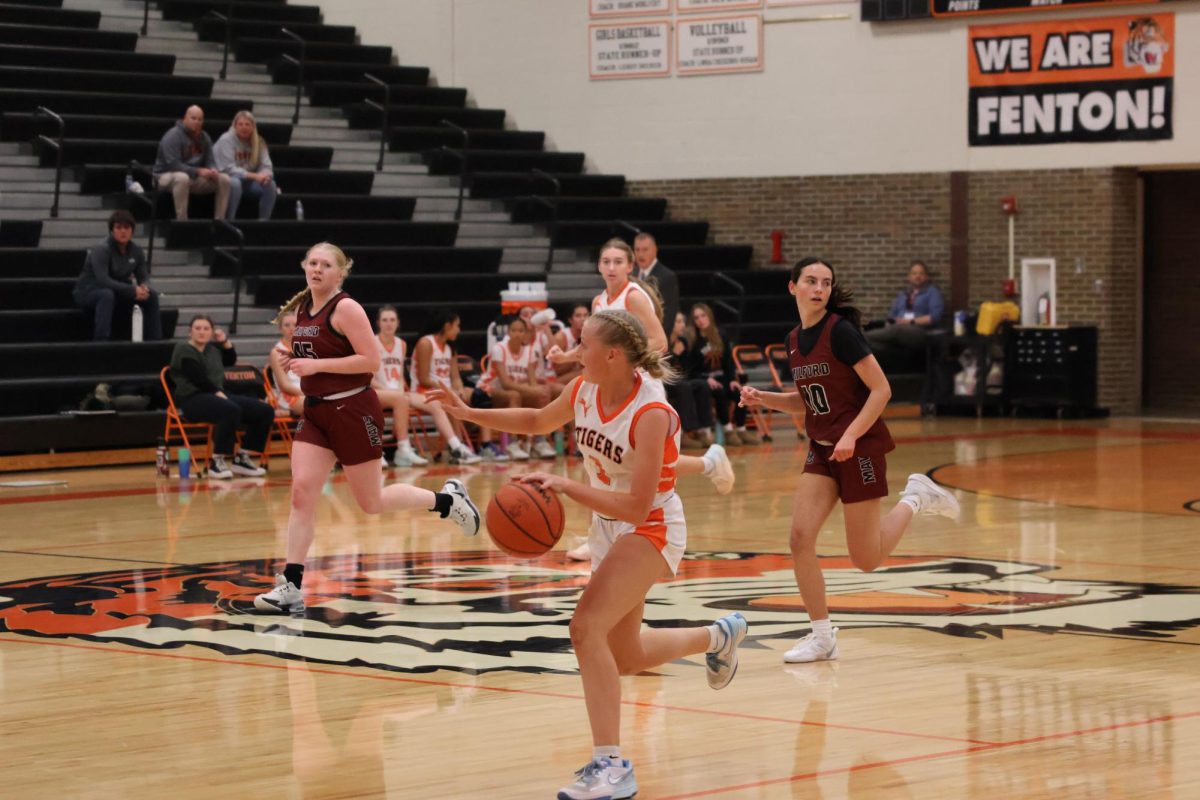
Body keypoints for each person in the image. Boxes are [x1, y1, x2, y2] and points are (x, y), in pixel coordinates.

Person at [430, 309, 748, 800]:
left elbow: (638, 505)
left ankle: (612, 765)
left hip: (652, 525)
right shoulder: (584, 389)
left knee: (584, 627)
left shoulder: (651, 413)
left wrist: (566, 487)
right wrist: (468, 414)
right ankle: (718, 636)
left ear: (613, 355)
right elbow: (537, 419)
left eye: (584, 345)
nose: (575, 353)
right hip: (609, 525)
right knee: (623, 654)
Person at [739, 257, 961, 663]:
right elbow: (807, 402)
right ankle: (822, 636)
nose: (819, 288)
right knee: (799, 538)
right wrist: (763, 399)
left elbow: (881, 390)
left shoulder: (840, 332)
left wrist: (851, 435)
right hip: (823, 449)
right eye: (810, 281)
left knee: (866, 559)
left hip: (859, 447)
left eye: (825, 282)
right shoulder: (792, 339)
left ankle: (915, 496)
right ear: (793, 287)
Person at [253, 243, 480, 614]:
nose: (317, 269)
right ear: (303, 267)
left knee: (371, 502)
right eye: (312, 262)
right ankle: (291, 585)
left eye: (326, 264)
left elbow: (370, 361)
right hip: (316, 414)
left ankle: (446, 500)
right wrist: (299, 363)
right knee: (301, 494)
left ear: (340, 273)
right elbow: (322, 356)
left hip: (353, 410)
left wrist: (316, 367)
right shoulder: (303, 309)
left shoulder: (346, 308)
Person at [373, 305, 480, 467]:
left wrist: (400, 390)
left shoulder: (401, 344)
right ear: (378, 323)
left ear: (398, 323)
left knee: (440, 404)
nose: (389, 324)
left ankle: (457, 448)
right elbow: (368, 377)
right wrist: (391, 392)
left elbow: (400, 375)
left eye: (392, 320)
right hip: (379, 390)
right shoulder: (371, 342)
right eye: (385, 320)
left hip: (401, 394)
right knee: (414, 399)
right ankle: (386, 450)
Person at [169, 314, 273, 479]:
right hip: (192, 399)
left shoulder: (212, 350)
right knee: (230, 409)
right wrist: (219, 394)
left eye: (206, 329)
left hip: (216, 395)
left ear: (211, 332)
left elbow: (230, 360)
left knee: (264, 410)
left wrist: (224, 342)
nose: (201, 332)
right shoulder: (183, 349)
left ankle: (242, 458)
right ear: (190, 332)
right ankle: (216, 462)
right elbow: (198, 378)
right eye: (197, 328)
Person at [411, 309, 507, 462]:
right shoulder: (426, 343)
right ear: (447, 326)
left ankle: (486, 445)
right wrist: (450, 391)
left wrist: (460, 389)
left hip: (445, 391)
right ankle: (459, 446)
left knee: (481, 395)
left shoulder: (450, 348)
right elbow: (424, 379)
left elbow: (455, 378)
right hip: (424, 391)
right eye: (457, 326)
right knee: (452, 400)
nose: (459, 330)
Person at [73, 210, 162, 341]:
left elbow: (144, 277)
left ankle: (156, 342)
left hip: (117, 291)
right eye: (118, 228)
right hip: (89, 290)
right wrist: (132, 290)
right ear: (111, 231)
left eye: (127, 228)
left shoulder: (136, 251)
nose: (123, 231)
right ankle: (101, 343)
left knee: (152, 295)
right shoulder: (101, 249)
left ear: (132, 230)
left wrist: (144, 288)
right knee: (106, 294)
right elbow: (103, 280)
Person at [479, 315, 555, 460]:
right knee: (514, 395)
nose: (517, 334)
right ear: (508, 332)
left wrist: (538, 391)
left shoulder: (529, 352)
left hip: (515, 391)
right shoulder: (499, 349)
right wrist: (533, 390)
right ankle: (512, 444)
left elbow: (532, 382)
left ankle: (540, 441)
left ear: (525, 334)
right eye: (514, 330)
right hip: (489, 389)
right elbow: (505, 383)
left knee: (541, 394)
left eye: (521, 331)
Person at [688, 303, 759, 446]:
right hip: (705, 381)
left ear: (709, 316)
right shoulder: (693, 340)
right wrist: (706, 378)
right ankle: (728, 431)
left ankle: (741, 429)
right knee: (719, 391)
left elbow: (728, 361)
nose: (700, 320)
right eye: (696, 318)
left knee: (741, 391)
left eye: (703, 316)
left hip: (723, 377)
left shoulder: (721, 335)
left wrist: (733, 379)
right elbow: (690, 369)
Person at [153, 105, 233, 221]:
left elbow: (210, 160)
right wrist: (198, 171)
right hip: (164, 176)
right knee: (182, 178)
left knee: (224, 178)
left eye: (200, 119)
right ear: (185, 118)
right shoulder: (172, 136)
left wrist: (213, 170)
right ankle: (182, 222)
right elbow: (173, 164)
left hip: (193, 176)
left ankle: (219, 220)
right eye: (193, 118)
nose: (197, 122)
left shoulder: (204, 137)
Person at [865, 260, 946, 372]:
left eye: (921, 273)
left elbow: (934, 317)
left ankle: (861, 337)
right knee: (874, 343)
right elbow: (891, 316)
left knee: (897, 329)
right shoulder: (903, 295)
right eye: (914, 273)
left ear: (926, 277)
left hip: (920, 331)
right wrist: (890, 322)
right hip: (897, 330)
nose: (918, 276)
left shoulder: (932, 293)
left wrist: (910, 322)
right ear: (909, 277)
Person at [214, 110, 278, 221]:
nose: (244, 127)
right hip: (223, 178)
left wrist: (265, 175)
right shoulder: (226, 140)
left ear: (253, 127)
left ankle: (264, 222)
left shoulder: (259, 142)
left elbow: (266, 165)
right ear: (235, 126)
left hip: (247, 181)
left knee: (270, 185)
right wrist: (255, 176)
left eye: (247, 124)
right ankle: (230, 221)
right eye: (240, 124)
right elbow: (227, 169)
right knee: (235, 183)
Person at [664, 310, 715, 450]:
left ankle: (703, 430)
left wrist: (681, 355)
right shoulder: (664, 340)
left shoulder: (683, 341)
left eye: (683, 322)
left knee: (701, 385)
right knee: (684, 386)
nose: (682, 325)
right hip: (664, 381)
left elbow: (686, 368)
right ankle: (682, 433)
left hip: (681, 380)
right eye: (678, 322)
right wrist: (674, 354)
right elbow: (662, 368)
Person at [634, 232, 678, 331]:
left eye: (645, 250)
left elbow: (669, 315)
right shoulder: (631, 273)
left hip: (655, 336)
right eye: (637, 250)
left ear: (655, 250)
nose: (640, 254)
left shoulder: (667, 276)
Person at [268, 310, 304, 417]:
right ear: (280, 329)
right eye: (287, 325)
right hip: (290, 395)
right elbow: (284, 386)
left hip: (308, 392)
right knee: (317, 405)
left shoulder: (305, 347)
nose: (291, 328)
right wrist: (309, 392)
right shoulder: (276, 352)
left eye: (295, 325)